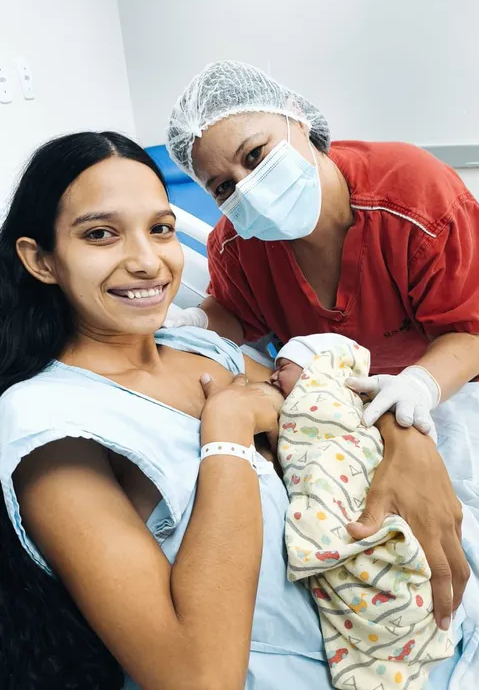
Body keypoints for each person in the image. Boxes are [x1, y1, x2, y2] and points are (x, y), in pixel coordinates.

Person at [0, 131, 453, 689]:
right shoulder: (50, 426)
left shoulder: (200, 349)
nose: (148, 262)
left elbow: (330, 397)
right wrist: (229, 435)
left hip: (384, 615)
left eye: (160, 228)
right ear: (40, 260)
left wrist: (407, 441)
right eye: (101, 234)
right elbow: (198, 678)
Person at [164, 59, 479, 627]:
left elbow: (470, 330)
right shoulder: (237, 245)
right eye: (222, 187)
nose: (247, 189)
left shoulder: (413, 194)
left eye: (256, 154)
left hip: (443, 393)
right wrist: (190, 324)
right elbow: (234, 312)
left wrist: (419, 387)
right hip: (341, 411)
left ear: (299, 121)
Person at [271, 333, 453, 689]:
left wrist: (418, 386)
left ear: (317, 367)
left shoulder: (327, 394)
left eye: (283, 367)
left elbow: (341, 430)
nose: (273, 377)